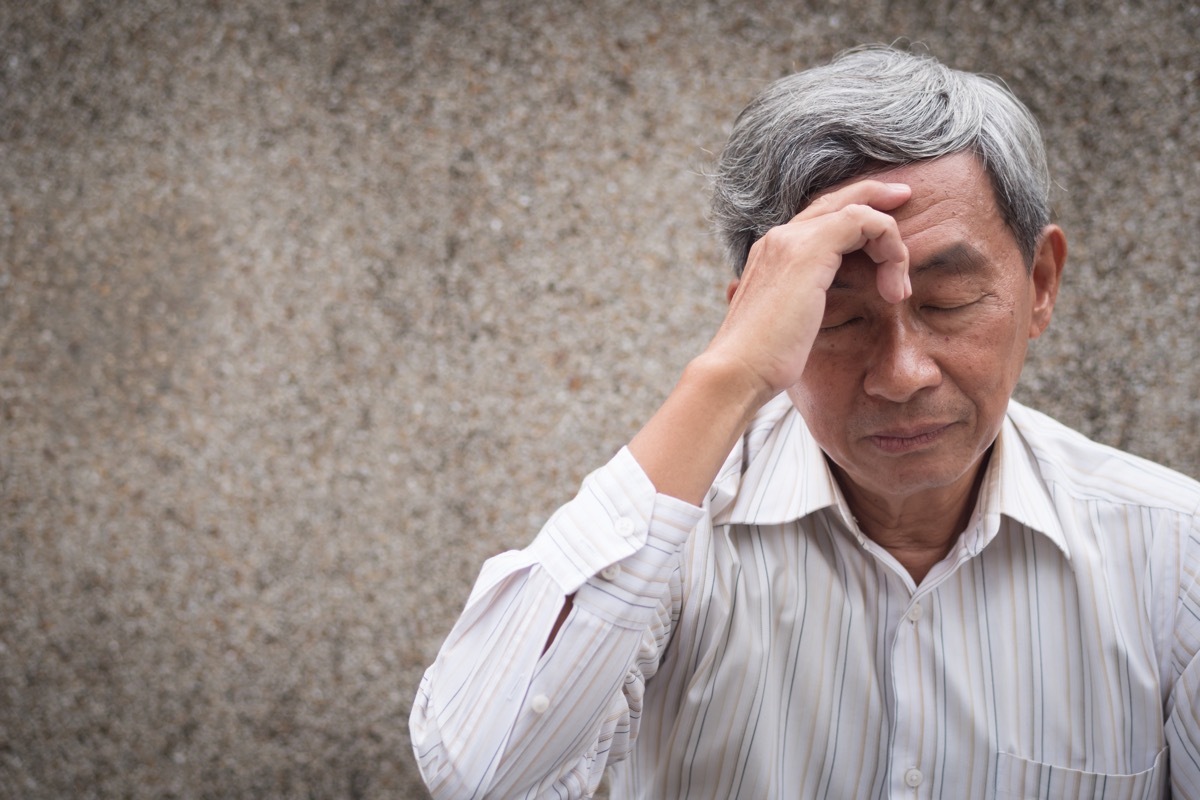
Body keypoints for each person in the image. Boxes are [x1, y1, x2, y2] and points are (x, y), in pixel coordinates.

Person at [409, 45, 1200, 799]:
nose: (902, 374)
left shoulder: (1174, 556)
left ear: (1040, 284)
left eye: (949, 303)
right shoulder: (669, 549)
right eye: (835, 318)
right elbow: (482, 773)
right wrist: (726, 378)